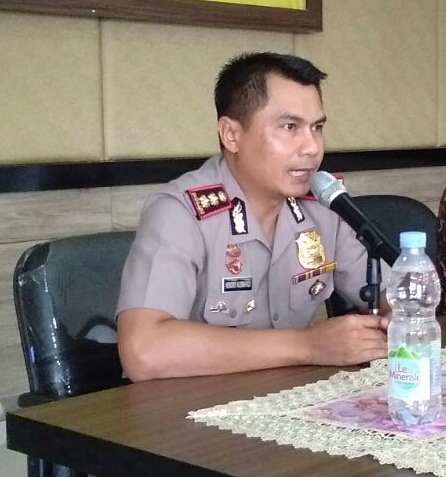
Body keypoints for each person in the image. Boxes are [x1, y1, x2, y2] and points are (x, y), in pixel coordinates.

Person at [116, 51, 390, 382]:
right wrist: (307, 345)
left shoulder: (321, 206)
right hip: (190, 405)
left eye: (317, 127)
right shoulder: (180, 212)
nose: (312, 148)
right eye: (290, 127)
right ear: (231, 135)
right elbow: (143, 351)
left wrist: (396, 311)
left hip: (288, 397)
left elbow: (390, 291)